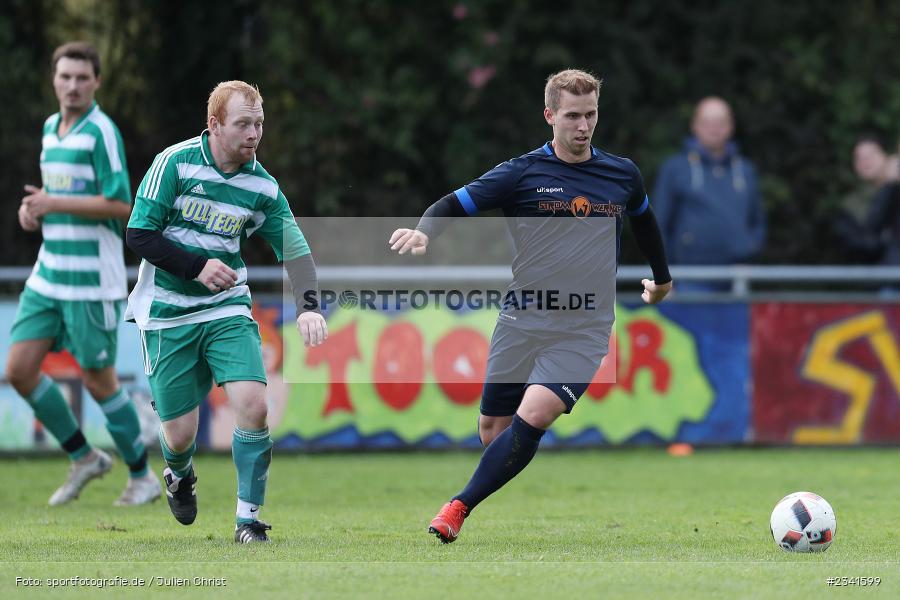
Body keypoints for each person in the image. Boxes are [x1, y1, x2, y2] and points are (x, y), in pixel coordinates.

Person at [389, 69, 672, 543]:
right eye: (573, 116)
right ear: (549, 116)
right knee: (493, 431)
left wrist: (662, 280)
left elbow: (646, 224)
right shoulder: (521, 174)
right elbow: (452, 204)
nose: (583, 126)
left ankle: (457, 507)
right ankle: (483, 480)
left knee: (536, 414)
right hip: (522, 319)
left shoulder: (621, 174)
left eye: (591, 114)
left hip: (585, 326)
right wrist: (424, 230)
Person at [124, 80, 327, 543]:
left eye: (259, 123)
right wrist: (196, 266)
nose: (254, 133)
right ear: (214, 125)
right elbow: (139, 235)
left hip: (225, 308)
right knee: (179, 435)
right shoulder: (174, 163)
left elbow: (295, 250)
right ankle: (178, 473)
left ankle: (248, 520)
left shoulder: (262, 185)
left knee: (254, 406)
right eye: (243, 124)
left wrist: (309, 307)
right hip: (168, 314)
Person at [5, 41, 160, 507]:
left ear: (96, 82)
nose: (72, 85)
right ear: (53, 80)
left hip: (92, 281)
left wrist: (55, 202)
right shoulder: (51, 130)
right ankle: (85, 457)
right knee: (18, 370)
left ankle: (142, 477)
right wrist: (34, 212)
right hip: (48, 275)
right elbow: (57, 198)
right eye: (65, 76)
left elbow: (120, 204)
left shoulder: (102, 132)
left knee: (98, 381)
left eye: (81, 77)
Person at [652, 97, 765, 283]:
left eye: (721, 122)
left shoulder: (746, 170)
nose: (714, 128)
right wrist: (664, 276)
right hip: (688, 279)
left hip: (737, 279)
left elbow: (758, 221)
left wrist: (750, 249)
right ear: (694, 126)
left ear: (731, 127)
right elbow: (658, 225)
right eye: (707, 122)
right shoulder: (674, 169)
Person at [834, 135, 899, 262]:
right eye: (859, 158)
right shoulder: (851, 204)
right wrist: (890, 184)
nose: (866, 162)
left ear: (886, 156)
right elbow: (864, 241)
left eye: (871, 155)